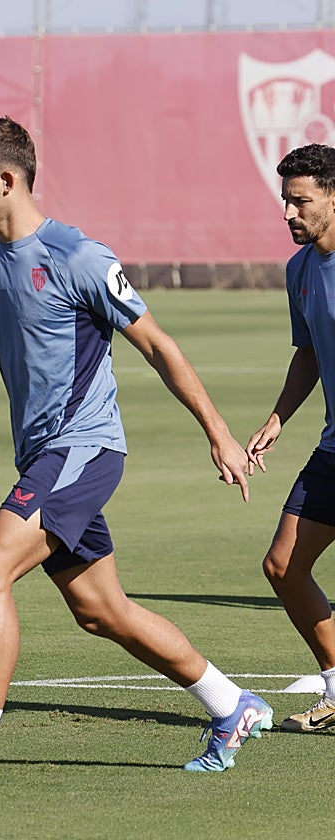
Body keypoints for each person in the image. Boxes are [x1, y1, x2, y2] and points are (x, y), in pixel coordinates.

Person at [0, 117, 272, 793]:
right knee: (100, 610)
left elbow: (157, 344)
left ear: (9, 180)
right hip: (44, 457)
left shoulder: (78, 255)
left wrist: (217, 431)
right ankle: (230, 703)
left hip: (84, 450)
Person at [245, 142, 335, 733]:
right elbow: (308, 353)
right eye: (285, 200)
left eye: (300, 201)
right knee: (283, 565)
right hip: (333, 448)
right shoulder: (299, 270)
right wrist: (278, 418)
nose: (288, 212)